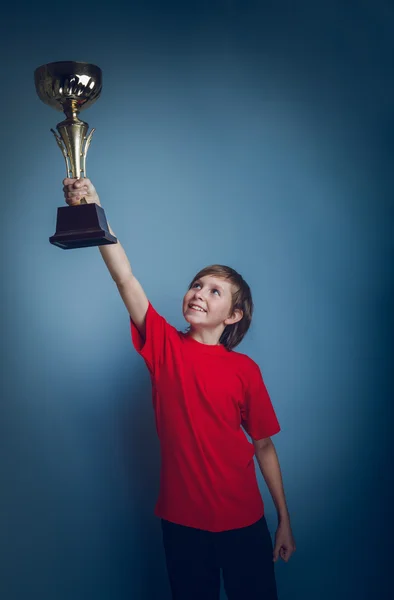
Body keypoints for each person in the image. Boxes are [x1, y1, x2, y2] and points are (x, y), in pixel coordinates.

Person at [63, 177, 296, 599]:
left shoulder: (244, 370)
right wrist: (94, 209)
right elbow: (125, 279)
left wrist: (283, 518)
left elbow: (263, 445)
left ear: (233, 316)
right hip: (183, 523)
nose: (198, 293)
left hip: (245, 521)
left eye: (214, 291)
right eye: (196, 285)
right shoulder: (163, 346)